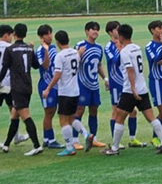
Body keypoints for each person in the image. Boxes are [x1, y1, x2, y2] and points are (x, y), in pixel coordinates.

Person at [102, 23, 162, 156]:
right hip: (143, 88)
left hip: (130, 90)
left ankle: (114, 148)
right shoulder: (137, 47)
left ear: (120, 36)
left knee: (119, 117)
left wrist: (132, 88)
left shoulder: (125, 52)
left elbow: (130, 70)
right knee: (151, 117)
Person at [42, 30, 93, 156]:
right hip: (75, 91)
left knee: (63, 120)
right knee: (71, 118)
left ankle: (69, 148)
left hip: (65, 92)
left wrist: (48, 88)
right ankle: (86, 134)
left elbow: (57, 74)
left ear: (58, 42)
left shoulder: (60, 56)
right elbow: (78, 57)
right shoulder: (74, 53)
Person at [0, 23, 43, 156]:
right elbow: (36, 66)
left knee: (25, 116)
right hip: (28, 86)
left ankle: (37, 145)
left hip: (17, 87)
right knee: (14, 114)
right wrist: (31, 50)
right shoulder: (29, 49)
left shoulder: (10, 49)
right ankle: (6, 145)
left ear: (14, 33)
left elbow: (5, 67)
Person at [104, 21, 144, 148]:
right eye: (116, 29)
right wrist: (119, 50)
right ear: (110, 32)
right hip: (116, 83)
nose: (118, 31)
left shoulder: (126, 46)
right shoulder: (109, 47)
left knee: (133, 111)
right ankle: (116, 141)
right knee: (116, 112)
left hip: (127, 83)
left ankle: (132, 139)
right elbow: (114, 61)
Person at [75, 21, 108, 149]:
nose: (95, 32)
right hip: (82, 84)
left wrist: (105, 78)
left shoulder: (99, 48)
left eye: (97, 30)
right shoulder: (80, 46)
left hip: (94, 85)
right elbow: (72, 62)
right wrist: (78, 54)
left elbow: (98, 64)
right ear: (86, 31)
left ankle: (93, 138)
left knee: (94, 110)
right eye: (92, 30)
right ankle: (75, 140)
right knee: (79, 110)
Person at [145, 19, 162, 149]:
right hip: (156, 81)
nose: (161, 31)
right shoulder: (149, 46)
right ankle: (156, 138)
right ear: (152, 30)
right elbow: (155, 59)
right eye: (158, 28)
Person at [35, 24, 64, 149]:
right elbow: (45, 65)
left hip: (54, 85)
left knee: (52, 111)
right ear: (41, 37)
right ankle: (50, 140)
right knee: (48, 112)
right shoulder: (40, 50)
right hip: (45, 85)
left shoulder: (53, 47)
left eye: (50, 33)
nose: (50, 36)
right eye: (47, 34)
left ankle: (46, 138)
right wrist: (45, 50)